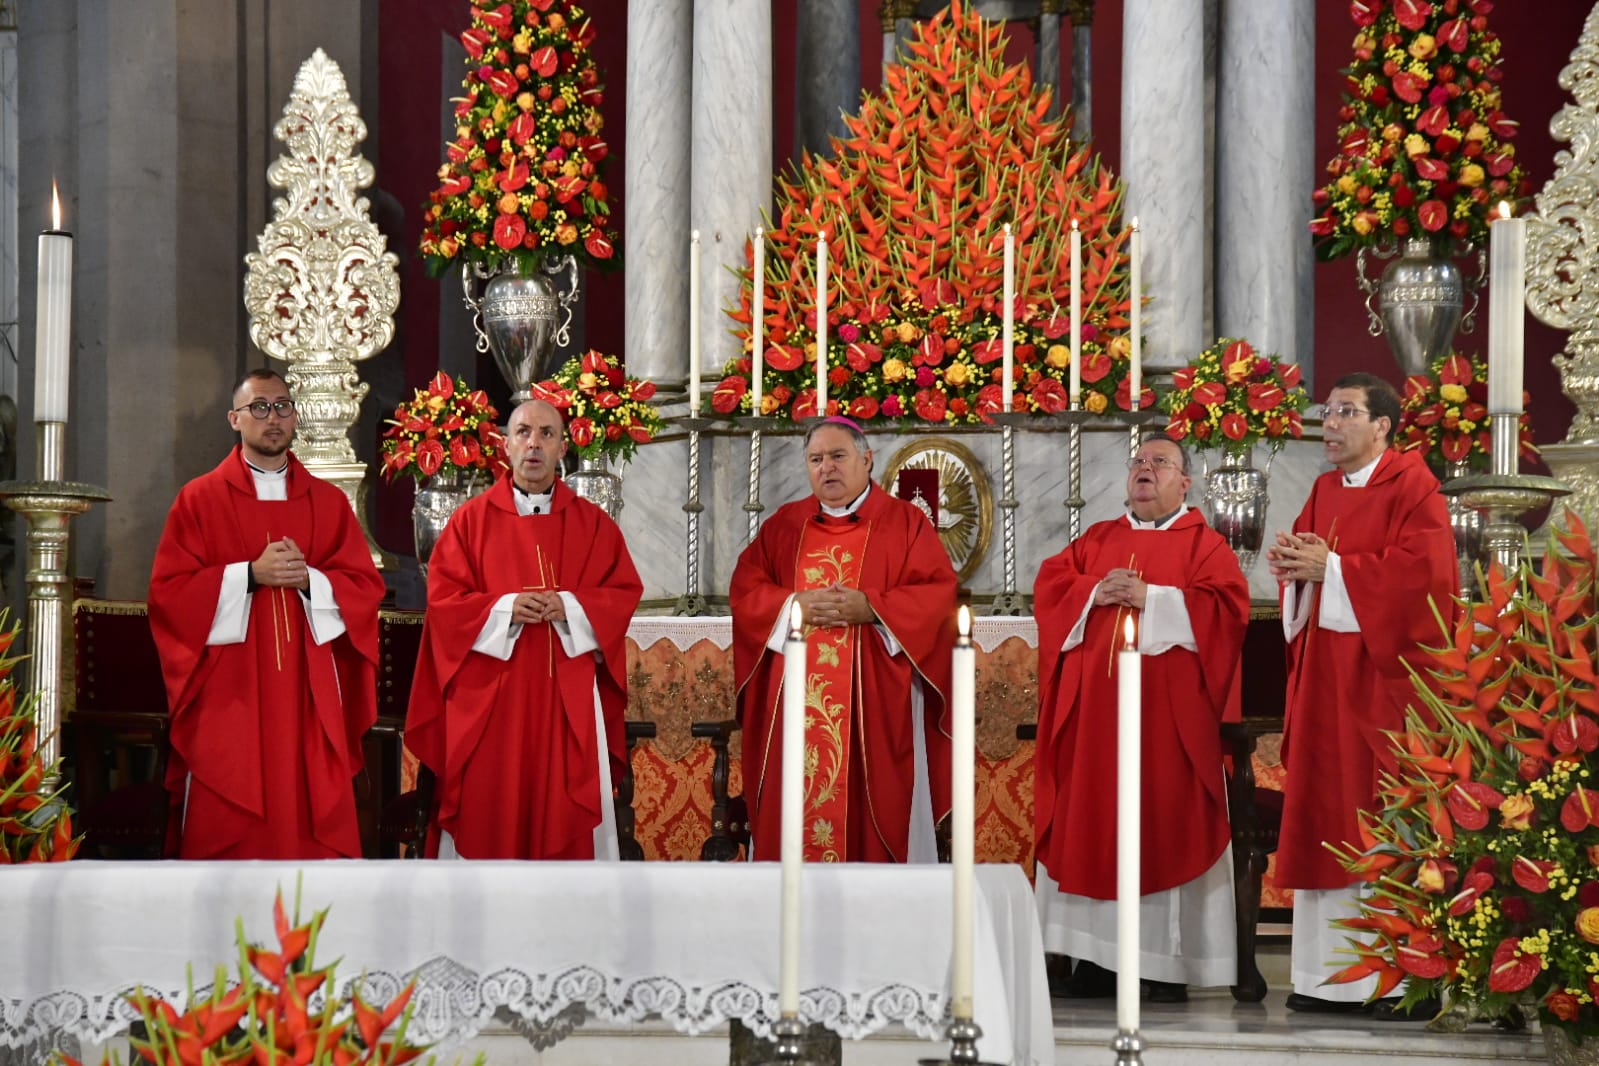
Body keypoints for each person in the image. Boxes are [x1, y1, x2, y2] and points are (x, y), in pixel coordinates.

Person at [1032, 436, 1249, 1002]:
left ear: (1185, 482)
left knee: (1160, 825)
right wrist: (1091, 591)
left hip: (1165, 727)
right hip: (1094, 725)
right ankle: (1090, 960)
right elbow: (1051, 587)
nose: (1145, 470)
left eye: (1160, 463)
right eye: (1138, 463)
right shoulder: (1098, 540)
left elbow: (1227, 610)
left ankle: (1161, 967)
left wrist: (1152, 598)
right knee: (1093, 825)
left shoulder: (1206, 546)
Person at [1267, 372, 1456, 1014]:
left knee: (1384, 816)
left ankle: (1400, 981)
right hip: (1326, 685)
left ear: (1383, 426)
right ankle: (1323, 978)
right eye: (1327, 411)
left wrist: (1337, 571)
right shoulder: (1322, 490)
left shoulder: (1415, 485)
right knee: (1328, 816)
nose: (1331, 422)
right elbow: (1305, 577)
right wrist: (1295, 568)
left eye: (1347, 412)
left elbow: (1427, 580)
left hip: (1383, 686)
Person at [148, 368, 386, 859]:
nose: (272, 418)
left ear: (295, 417)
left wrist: (311, 581)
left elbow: (365, 588)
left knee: (310, 812)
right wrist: (248, 576)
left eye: (282, 407)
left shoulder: (328, 502)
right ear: (235, 419)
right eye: (259, 407)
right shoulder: (200, 499)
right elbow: (169, 596)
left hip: (308, 693)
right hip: (231, 695)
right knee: (230, 815)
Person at [405, 399, 642, 860]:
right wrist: (506, 608)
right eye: (523, 432)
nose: (534, 443)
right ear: (505, 445)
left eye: (547, 434)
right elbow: (444, 602)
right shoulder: (469, 522)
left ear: (562, 448)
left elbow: (621, 592)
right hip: (491, 699)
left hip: (568, 697)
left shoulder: (593, 524)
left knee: (566, 812)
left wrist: (569, 605)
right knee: (489, 805)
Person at [730, 416, 958, 862]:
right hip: (796, 704)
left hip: (876, 702)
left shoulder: (905, 523)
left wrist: (873, 608)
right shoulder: (784, 525)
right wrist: (793, 603)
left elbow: (936, 595)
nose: (826, 468)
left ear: (867, 460)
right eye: (816, 459)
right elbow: (746, 591)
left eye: (838, 456)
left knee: (876, 821)